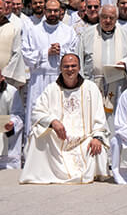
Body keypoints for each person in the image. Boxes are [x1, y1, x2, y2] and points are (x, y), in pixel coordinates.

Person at [20, 54, 108, 184]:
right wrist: (52, 122)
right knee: (37, 134)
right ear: (60, 68)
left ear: (79, 68)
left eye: (73, 66)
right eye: (66, 66)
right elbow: (36, 112)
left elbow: (99, 117)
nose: (70, 69)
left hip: (84, 139)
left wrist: (97, 137)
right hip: (59, 140)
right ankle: (41, 173)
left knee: (95, 144)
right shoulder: (52, 89)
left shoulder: (91, 88)